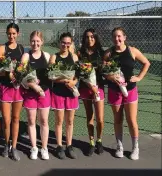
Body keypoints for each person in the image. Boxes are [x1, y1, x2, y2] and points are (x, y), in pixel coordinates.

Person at [104, 27, 150, 160]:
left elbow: (146, 63)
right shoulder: (108, 53)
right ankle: (120, 147)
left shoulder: (132, 51)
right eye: (114, 37)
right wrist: (111, 77)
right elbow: (104, 71)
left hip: (130, 90)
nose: (117, 39)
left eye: (119, 36)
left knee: (131, 120)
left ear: (124, 37)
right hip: (114, 91)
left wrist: (139, 77)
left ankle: (135, 148)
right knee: (118, 120)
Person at [20, 31, 51, 160]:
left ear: (42, 42)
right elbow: (21, 74)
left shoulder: (47, 56)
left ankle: (44, 148)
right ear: (30, 41)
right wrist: (32, 84)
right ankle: (34, 148)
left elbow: (51, 74)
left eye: (38, 41)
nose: (35, 43)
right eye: (33, 41)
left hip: (44, 93)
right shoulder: (26, 56)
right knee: (31, 121)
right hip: (30, 94)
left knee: (44, 121)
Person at [0, 23, 24, 161]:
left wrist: (19, 74)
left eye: (14, 33)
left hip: (18, 89)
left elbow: (23, 68)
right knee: (6, 120)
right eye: (9, 33)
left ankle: (14, 146)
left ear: (18, 34)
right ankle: (6, 144)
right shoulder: (2, 48)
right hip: (5, 88)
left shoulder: (21, 48)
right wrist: (7, 73)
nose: (11, 36)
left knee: (15, 119)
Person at [49, 32, 79, 159]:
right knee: (59, 120)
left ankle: (69, 145)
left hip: (71, 93)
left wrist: (73, 82)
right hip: (58, 93)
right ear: (59, 43)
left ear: (71, 44)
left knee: (70, 121)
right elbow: (51, 76)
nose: (65, 45)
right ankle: (59, 146)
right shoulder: (54, 57)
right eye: (63, 42)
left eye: (68, 43)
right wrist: (64, 80)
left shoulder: (75, 57)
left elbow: (78, 74)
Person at [77, 28, 105, 156]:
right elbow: (80, 73)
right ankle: (92, 142)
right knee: (90, 117)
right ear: (84, 39)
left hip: (98, 88)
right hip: (84, 88)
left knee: (100, 119)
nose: (90, 39)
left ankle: (99, 140)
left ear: (96, 37)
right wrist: (89, 85)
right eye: (87, 37)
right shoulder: (80, 53)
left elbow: (105, 70)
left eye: (92, 37)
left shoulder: (102, 52)